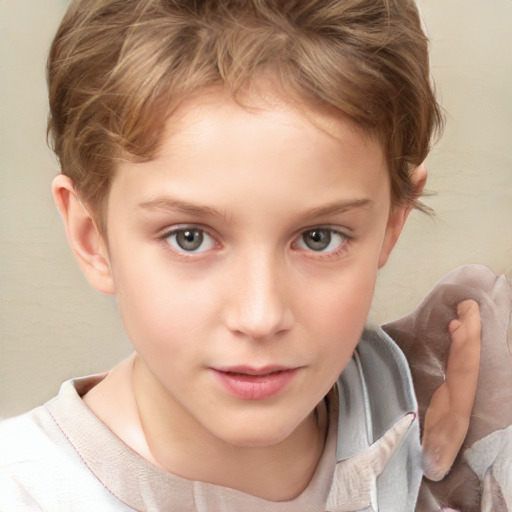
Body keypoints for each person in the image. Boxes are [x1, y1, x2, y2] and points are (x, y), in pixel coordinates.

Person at [0, 0, 484, 510]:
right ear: (91, 236)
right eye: (190, 237)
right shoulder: (22, 491)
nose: (260, 317)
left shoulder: (440, 403)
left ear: (391, 222)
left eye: (319, 237)